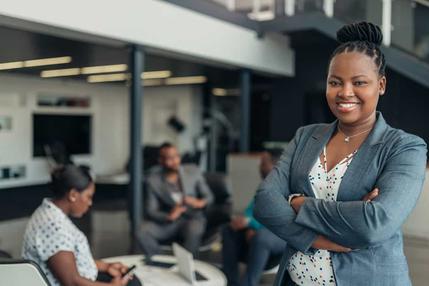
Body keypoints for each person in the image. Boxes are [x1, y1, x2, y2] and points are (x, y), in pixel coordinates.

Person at [254, 22, 427, 286]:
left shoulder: (405, 147)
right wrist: (315, 238)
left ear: (380, 84)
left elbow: (374, 224)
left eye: (359, 82)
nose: (345, 93)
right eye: (335, 82)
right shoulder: (305, 136)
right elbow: (265, 201)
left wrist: (298, 203)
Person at [22, 165, 141, 286]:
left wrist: (106, 266)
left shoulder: (48, 211)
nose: (90, 203)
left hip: (82, 277)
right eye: (88, 196)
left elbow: (70, 261)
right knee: (132, 284)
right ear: (73, 194)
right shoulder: (53, 227)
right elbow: (72, 282)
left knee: (129, 279)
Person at [222, 149, 286, 286]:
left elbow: (280, 218)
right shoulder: (264, 186)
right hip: (260, 229)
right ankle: (231, 281)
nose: (259, 168)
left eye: (263, 164)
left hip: (282, 235)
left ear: (276, 166)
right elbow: (250, 210)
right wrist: (247, 222)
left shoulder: (288, 187)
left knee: (261, 236)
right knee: (228, 229)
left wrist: (252, 224)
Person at [138, 142, 213, 257]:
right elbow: (150, 210)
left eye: (176, 156)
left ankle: (189, 267)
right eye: (170, 158)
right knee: (142, 231)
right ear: (161, 161)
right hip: (169, 222)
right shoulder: (153, 181)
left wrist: (199, 202)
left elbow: (209, 196)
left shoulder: (193, 171)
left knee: (193, 231)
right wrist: (169, 216)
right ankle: (161, 262)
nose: (175, 161)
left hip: (193, 218)